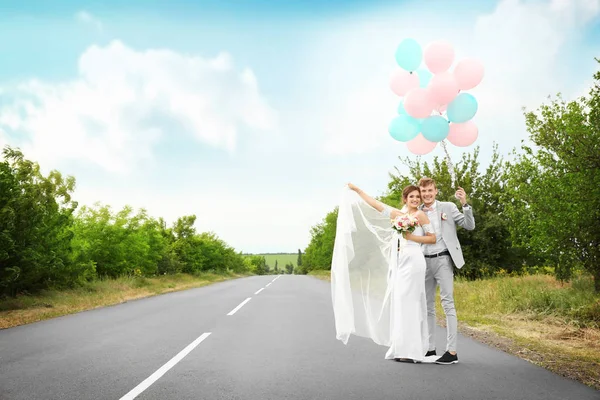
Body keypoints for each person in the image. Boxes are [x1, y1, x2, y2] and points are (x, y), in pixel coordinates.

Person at [335, 183, 436, 363]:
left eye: (417, 197)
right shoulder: (399, 215)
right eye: (411, 196)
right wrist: (358, 191)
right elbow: (376, 205)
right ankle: (401, 348)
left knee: (411, 302)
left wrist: (412, 237)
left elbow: (432, 238)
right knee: (400, 302)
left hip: (414, 260)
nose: (415, 199)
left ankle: (412, 351)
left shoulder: (420, 215)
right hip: (401, 261)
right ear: (405, 199)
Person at [417, 177, 475, 365]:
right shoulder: (416, 211)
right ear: (420, 192)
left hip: (443, 259)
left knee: (447, 303)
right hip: (423, 262)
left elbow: (469, 225)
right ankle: (430, 347)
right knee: (427, 306)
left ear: (436, 191)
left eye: (430, 191)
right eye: (423, 191)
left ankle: (451, 352)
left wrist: (464, 203)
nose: (426, 194)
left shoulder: (448, 207)